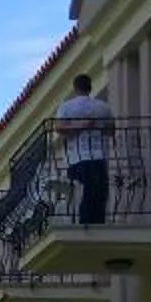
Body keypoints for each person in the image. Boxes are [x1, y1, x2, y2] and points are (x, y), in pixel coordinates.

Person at [55, 71, 115, 227]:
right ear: (90, 87)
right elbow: (111, 130)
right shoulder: (102, 107)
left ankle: (85, 222)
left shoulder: (67, 107)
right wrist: (90, 125)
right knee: (99, 190)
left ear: (75, 88)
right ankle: (97, 222)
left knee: (84, 190)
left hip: (77, 157)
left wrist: (78, 126)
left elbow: (60, 128)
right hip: (99, 155)